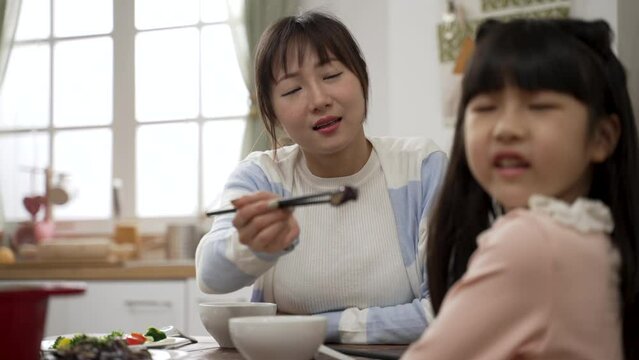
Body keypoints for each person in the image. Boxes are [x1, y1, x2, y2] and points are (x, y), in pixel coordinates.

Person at [195, 11, 448, 344]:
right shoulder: (262, 175)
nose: (318, 100)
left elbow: (446, 311)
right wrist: (251, 244)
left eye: (331, 75)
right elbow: (211, 277)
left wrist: (320, 326)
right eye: (292, 90)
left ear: (361, 77)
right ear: (273, 113)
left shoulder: (421, 167)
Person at [402, 18, 639, 359]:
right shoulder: (592, 237)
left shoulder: (531, 244)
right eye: (485, 107)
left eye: (539, 106)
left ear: (601, 137)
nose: (506, 129)